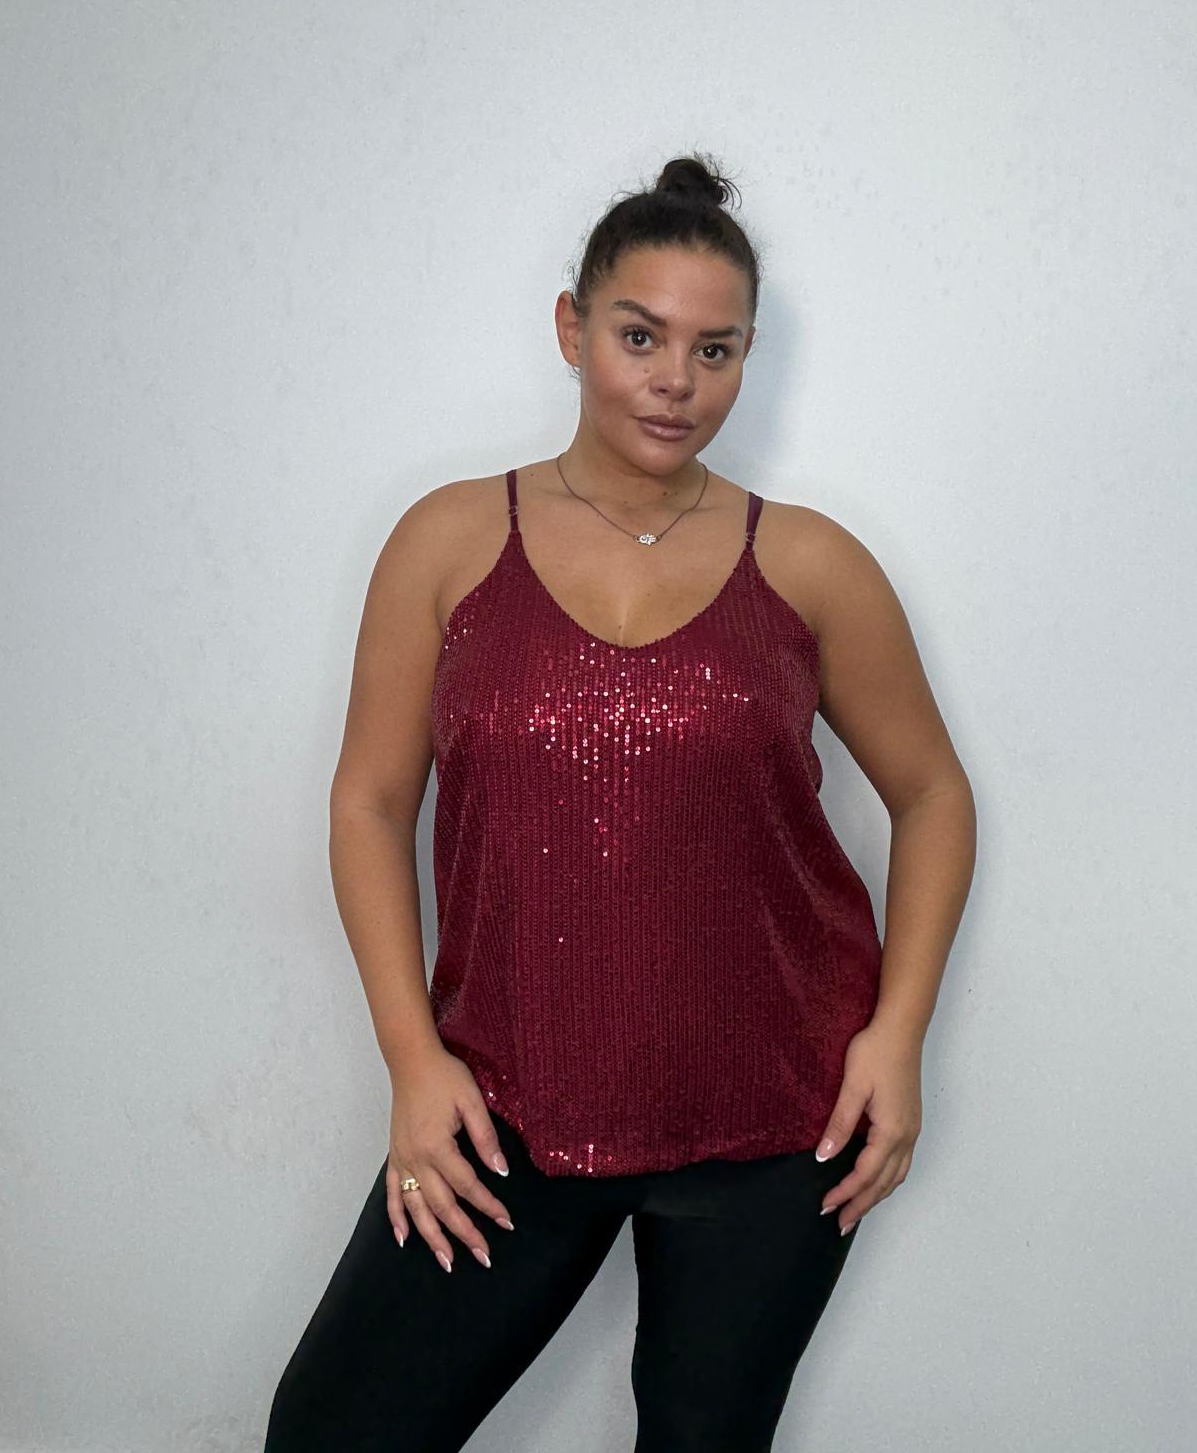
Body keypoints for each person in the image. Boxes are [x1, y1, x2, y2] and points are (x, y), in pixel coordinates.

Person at [263, 153, 976, 1452]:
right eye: (640, 336)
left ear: (747, 359)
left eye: (716, 349)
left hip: (777, 1119)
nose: (675, 380)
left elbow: (932, 794)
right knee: (335, 1432)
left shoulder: (809, 562)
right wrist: (413, 1061)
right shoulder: (448, 541)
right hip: (505, 1109)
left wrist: (898, 1036)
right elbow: (369, 803)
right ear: (572, 328)